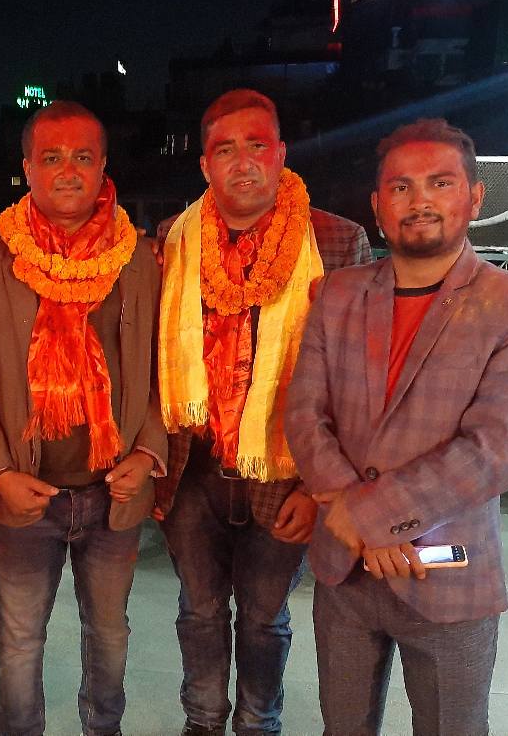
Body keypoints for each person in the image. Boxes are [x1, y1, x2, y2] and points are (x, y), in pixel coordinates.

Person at [285, 118, 508, 736]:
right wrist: (357, 521)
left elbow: (496, 450)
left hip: (447, 576)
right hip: (344, 574)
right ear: (377, 205)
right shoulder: (336, 294)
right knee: (343, 726)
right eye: (401, 187)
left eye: (440, 182)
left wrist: (367, 515)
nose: (420, 201)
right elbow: (304, 411)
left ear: (475, 197)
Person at [154, 89, 371, 736]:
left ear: (281, 153)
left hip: (287, 473)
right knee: (198, 611)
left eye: (256, 145)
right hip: (193, 469)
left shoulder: (335, 241)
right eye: (225, 149)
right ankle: (202, 721)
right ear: (205, 165)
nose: (242, 161)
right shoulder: (173, 240)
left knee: (263, 618)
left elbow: (355, 381)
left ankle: (258, 724)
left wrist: (318, 487)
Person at [0, 101, 167, 736]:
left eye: (83, 156)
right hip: (24, 495)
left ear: (104, 165)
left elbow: (163, 367)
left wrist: (148, 453)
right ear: (27, 168)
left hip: (113, 494)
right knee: (18, 642)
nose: (68, 171)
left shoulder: (137, 257)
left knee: (109, 637)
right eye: (51, 157)